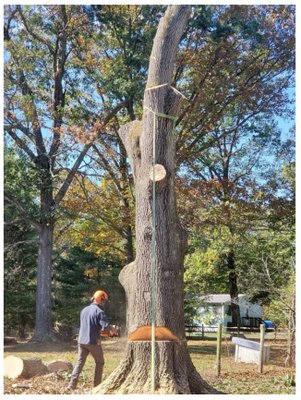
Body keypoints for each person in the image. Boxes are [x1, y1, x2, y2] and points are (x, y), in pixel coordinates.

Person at [68, 290, 118, 390]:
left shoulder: (84, 310)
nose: (104, 303)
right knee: (100, 362)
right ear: (101, 300)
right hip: (93, 342)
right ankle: (97, 386)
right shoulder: (100, 312)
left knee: (79, 362)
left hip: (81, 341)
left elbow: (92, 325)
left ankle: (72, 385)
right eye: (104, 301)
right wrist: (114, 330)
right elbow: (106, 328)